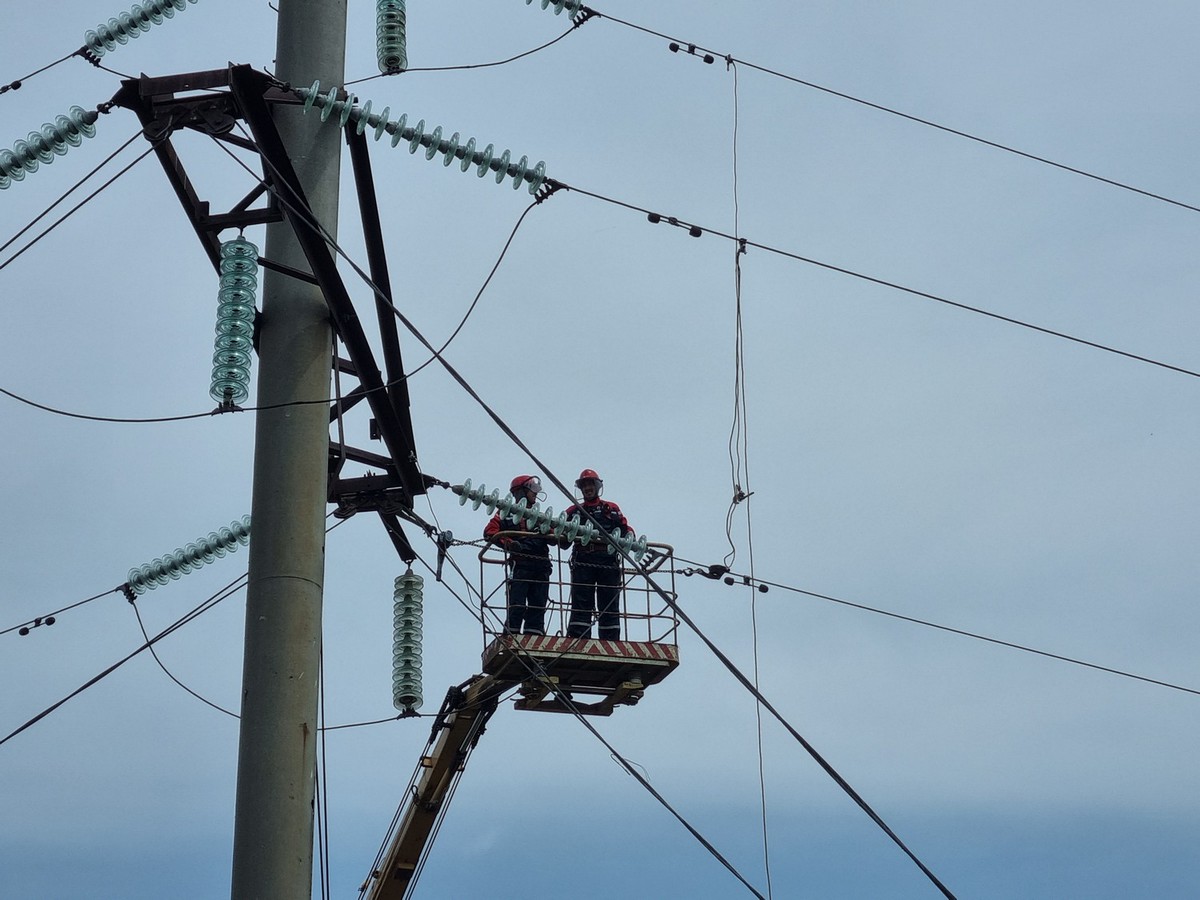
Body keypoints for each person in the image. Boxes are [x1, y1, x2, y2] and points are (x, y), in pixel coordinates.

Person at [564, 468, 632, 641]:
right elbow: (563, 541)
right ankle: (579, 639)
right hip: (584, 560)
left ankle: (610, 640)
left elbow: (626, 531)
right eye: (584, 485)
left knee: (608, 601)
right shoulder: (573, 512)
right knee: (581, 601)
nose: (587, 488)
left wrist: (631, 539)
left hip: (607, 561)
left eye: (590, 484)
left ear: (597, 486)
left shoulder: (611, 509)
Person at [484, 474, 554, 636]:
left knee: (538, 604)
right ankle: (511, 636)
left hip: (541, 565)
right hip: (521, 565)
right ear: (521, 492)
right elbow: (490, 532)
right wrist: (509, 543)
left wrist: (551, 533)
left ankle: (535, 637)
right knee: (517, 605)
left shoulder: (540, 516)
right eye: (532, 489)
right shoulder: (505, 513)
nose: (535, 493)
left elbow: (555, 536)